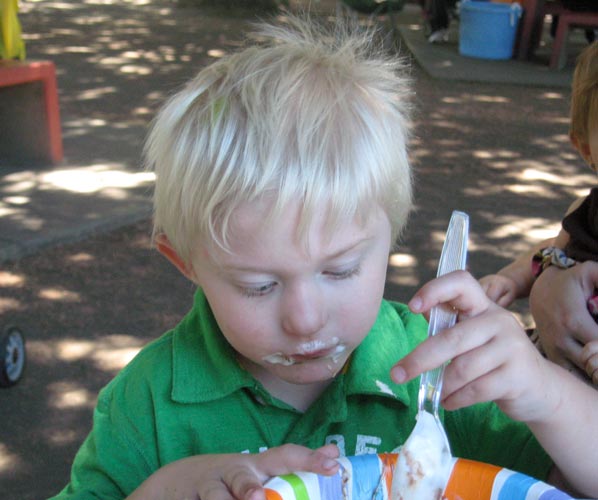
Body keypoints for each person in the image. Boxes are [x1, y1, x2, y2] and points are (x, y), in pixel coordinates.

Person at [50, 16, 598, 500]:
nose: (305, 319)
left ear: (390, 236)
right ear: (185, 260)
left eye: (340, 270)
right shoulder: (147, 407)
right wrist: (158, 491)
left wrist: (546, 394)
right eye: (259, 285)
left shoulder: (436, 368)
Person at [479, 41, 598, 385]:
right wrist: (511, 280)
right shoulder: (585, 211)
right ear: (586, 148)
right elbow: (550, 252)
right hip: (551, 365)